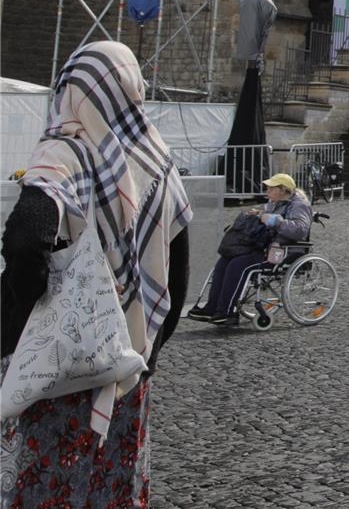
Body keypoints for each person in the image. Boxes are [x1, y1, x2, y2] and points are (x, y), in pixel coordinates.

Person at [0, 42, 192, 506]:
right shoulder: (158, 160)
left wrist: (12, 329)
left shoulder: (62, 155)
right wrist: (149, 347)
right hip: (127, 365)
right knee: (111, 485)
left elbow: (26, 243)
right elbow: (179, 266)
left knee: (47, 484)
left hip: (59, 371)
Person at [191, 172, 313, 322]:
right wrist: (259, 214)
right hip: (262, 246)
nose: (267, 191)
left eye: (271, 188)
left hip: (280, 251)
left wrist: (277, 222)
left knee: (238, 265)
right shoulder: (274, 203)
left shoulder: (299, 205)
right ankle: (212, 307)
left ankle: (228, 311)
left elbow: (300, 230)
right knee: (224, 260)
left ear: (282, 190)